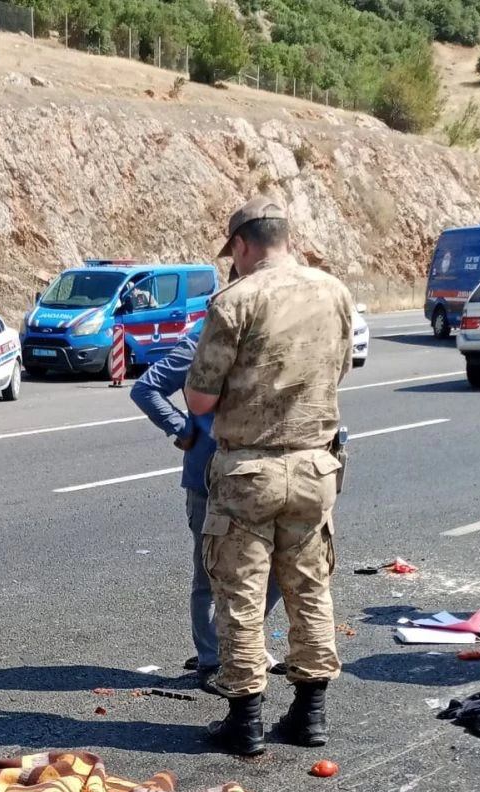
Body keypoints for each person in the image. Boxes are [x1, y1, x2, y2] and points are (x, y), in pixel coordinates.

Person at [183, 195, 354, 756]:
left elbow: (201, 398)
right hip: (315, 465)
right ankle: (311, 715)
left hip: (248, 470)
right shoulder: (334, 291)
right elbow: (340, 371)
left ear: (241, 245)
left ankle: (246, 720)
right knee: (310, 588)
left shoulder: (236, 299)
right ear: (286, 235)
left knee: (240, 593)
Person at [129, 313, 284, 695]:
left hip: (262, 475)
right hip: (208, 480)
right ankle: (212, 661)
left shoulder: (271, 336)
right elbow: (146, 388)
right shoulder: (201, 343)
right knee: (210, 573)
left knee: (279, 565)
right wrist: (182, 430)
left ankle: (238, 641)